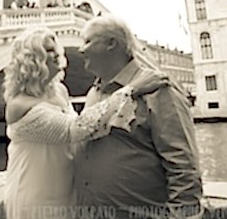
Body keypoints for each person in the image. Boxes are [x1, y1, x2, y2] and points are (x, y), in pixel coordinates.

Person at [3, 26, 169, 219]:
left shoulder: (59, 91)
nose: (57, 53)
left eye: (55, 48)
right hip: (34, 195)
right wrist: (131, 89)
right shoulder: (18, 104)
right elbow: (75, 130)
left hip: (66, 192)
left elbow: (90, 130)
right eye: (48, 50)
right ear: (32, 59)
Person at [75, 14, 203, 219]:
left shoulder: (160, 90)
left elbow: (183, 167)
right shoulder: (94, 92)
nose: (81, 49)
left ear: (111, 43)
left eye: (88, 41)